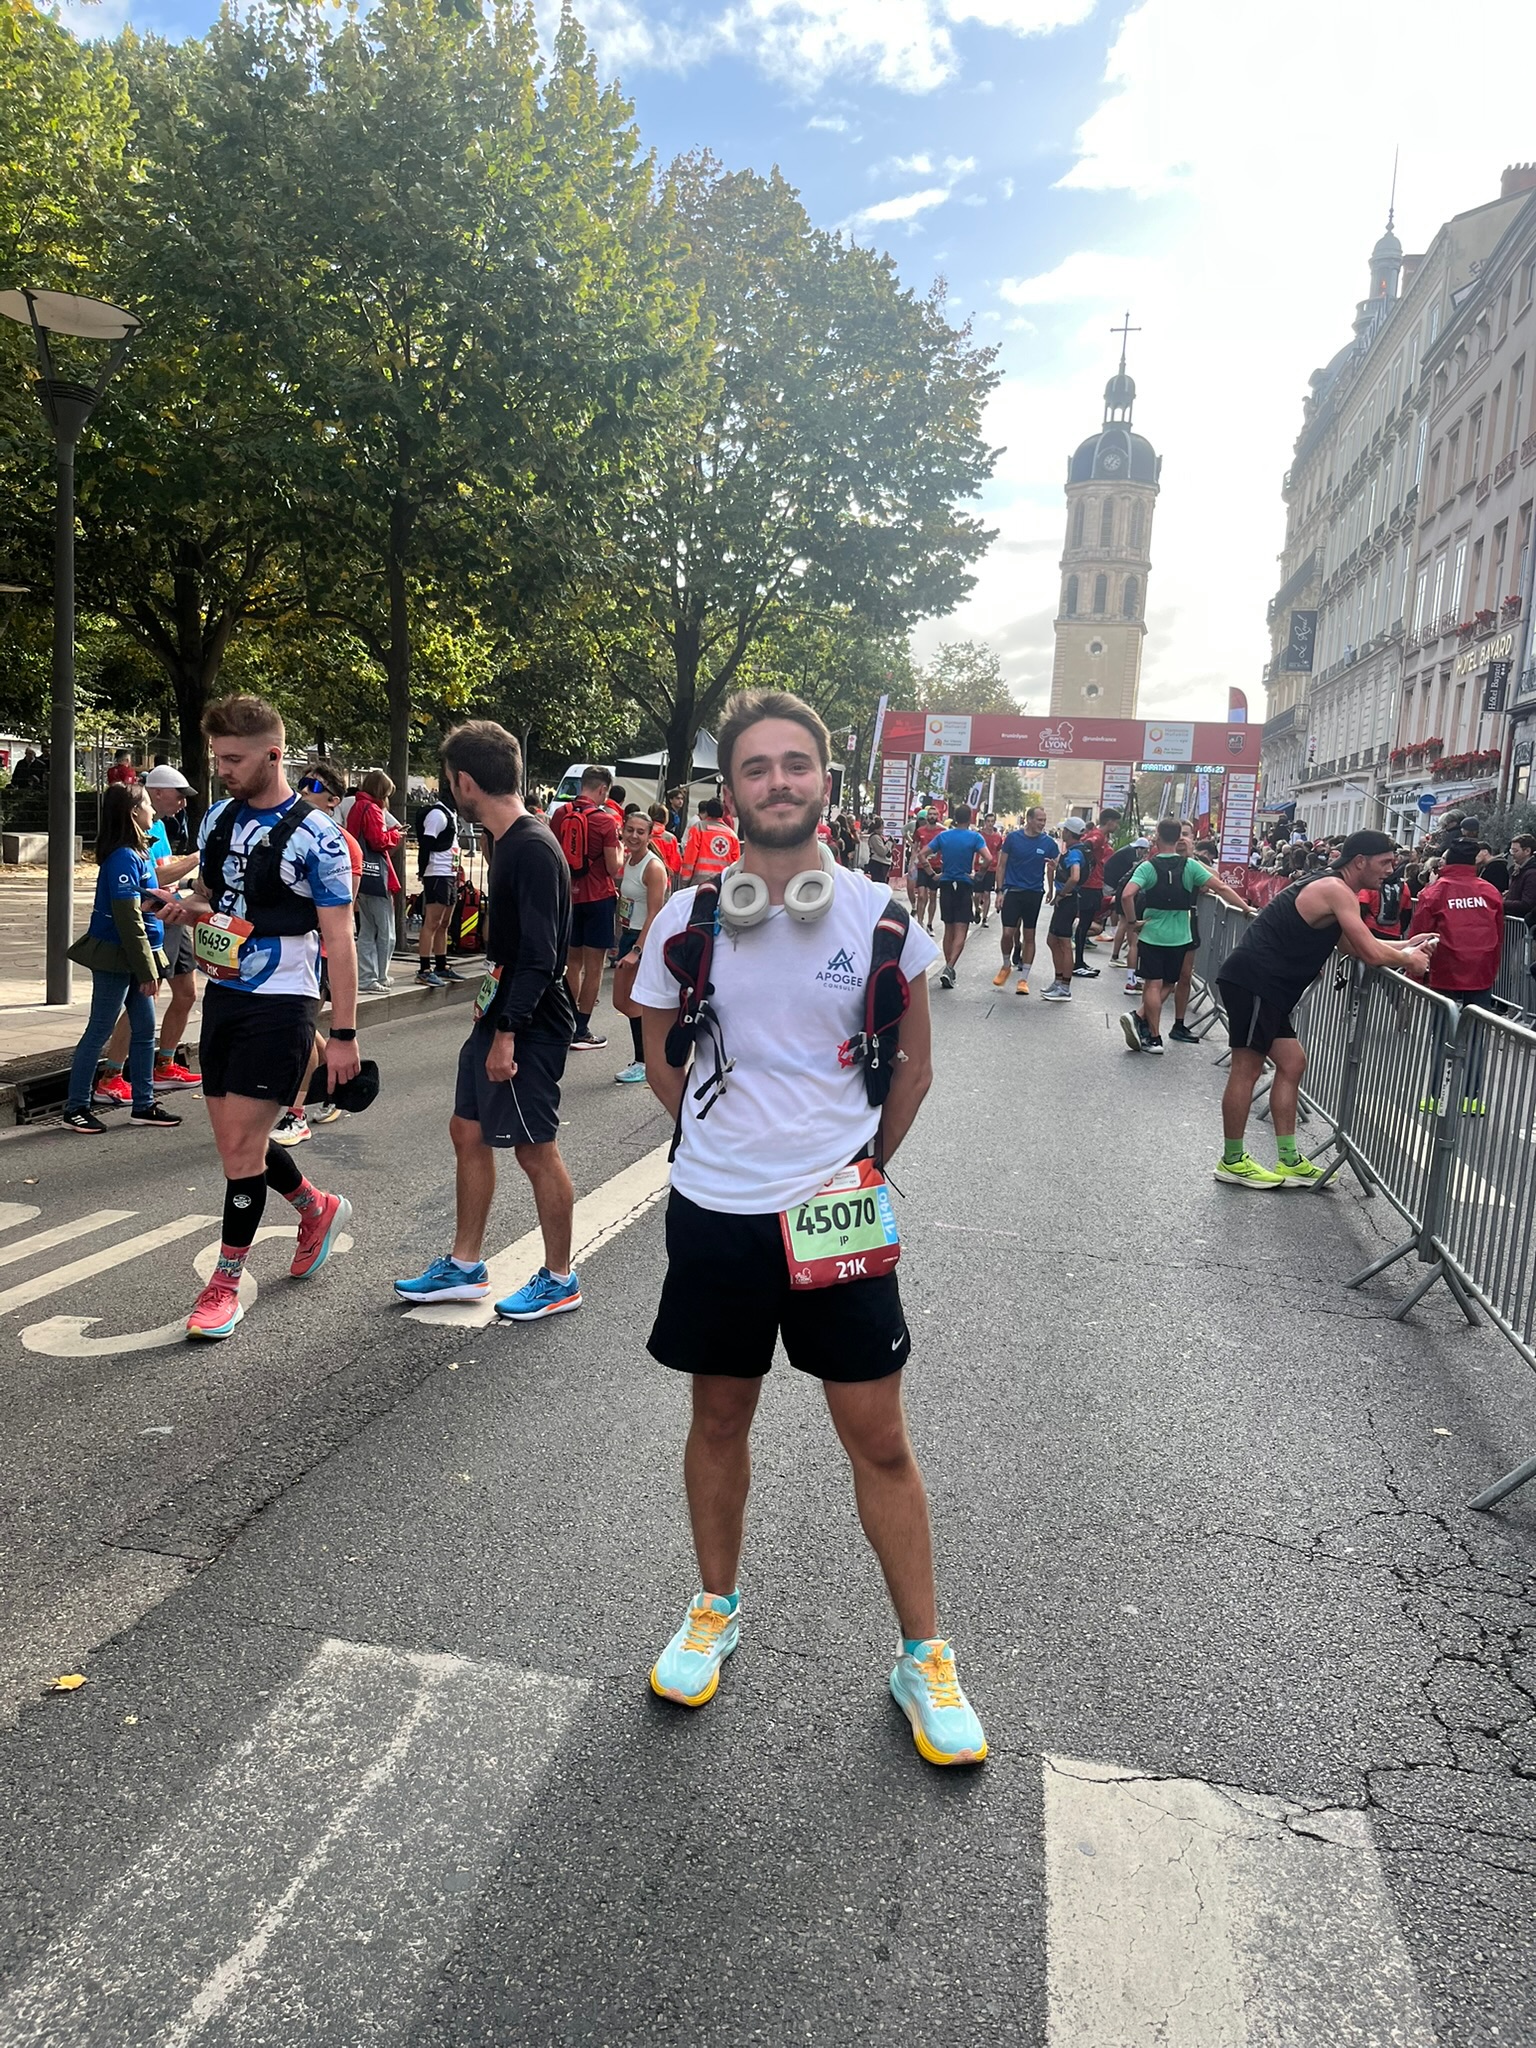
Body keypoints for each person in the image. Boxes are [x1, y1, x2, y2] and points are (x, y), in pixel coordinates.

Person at [631, 686, 986, 1768]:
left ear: (824, 781)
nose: (777, 782)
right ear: (731, 789)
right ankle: (715, 1607)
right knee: (718, 1418)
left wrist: (858, 1168)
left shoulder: (883, 919)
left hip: (836, 1214)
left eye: (795, 763)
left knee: (878, 1437)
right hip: (715, 1213)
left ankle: (923, 1656)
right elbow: (659, 1055)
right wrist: (726, 1145)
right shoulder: (687, 920)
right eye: (756, 766)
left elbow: (913, 1070)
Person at [156, 695, 358, 1338]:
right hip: (225, 992)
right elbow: (214, 895)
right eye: (218, 758)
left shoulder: (319, 837)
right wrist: (183, 905)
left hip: (284, 1000)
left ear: (273, 755)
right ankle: (315, 1206)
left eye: (234, 759)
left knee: (242, 1150)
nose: (222, 770)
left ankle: (224, 1284)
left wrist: (344, 1033)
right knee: (235, 1143)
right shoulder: (218, 818)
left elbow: (341, 940)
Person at [394, 720, 581, 1321]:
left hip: (527, 1021)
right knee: (467, 1130)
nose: (449, 790)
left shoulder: (529, 847)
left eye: (450, 780)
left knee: (535, 1150)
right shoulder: (513, 841)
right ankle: (465, 1265)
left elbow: (541, 957)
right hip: (500, 1012)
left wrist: (507, 1034)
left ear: (466, 782)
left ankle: (560, 1278)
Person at [1214, 830, 1436, 1189]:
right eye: (1384, 862)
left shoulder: (1336, 888)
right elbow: (1370, 954)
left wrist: (1409, 943)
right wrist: (1409, 960)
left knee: (1292, 1063)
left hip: (1266, 985)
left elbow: (1354, 945)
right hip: (1255, 981)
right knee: (1247, 1068)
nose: (1390, 870)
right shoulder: (1336, 890)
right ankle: (1232, 1160)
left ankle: (1289, 1160)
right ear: (1360, 861)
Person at [60, 783, 183, 1135]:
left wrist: (159, 900)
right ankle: (76, 1108)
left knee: (144, 1031)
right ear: (133, 813)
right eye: (147, 804)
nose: (153, 810)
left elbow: (139, 906)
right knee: (99, 1029)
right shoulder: (123, 858)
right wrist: (147, 970)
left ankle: (144, 1104)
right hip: (117, 957)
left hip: (136, 956)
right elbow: (128, 919)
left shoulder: (138, 852)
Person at [92, 764, 205, 1104]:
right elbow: (155, 877)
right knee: (145, 997)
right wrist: (197, 858)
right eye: (179, 795)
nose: (183, 803)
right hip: (156, 920)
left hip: (172, 915)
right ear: (155, 793)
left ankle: (165, 1065)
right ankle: (112, 1074)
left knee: (186, 993)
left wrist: (188, 885)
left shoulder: (159, 826)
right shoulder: (139, 829)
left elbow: (163, 875)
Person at [272, 759, 363, 1146]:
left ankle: (296, 1115)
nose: (304, 791)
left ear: (333, 800)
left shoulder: (342, 844)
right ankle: (340, 1082)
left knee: (301, 1032)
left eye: (314, 786)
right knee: (303, 1030)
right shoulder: (288, 833)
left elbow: (343, 911)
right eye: (302, 783)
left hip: (322, 951)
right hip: (290, 952)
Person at [1118, 818, 1249, 1054]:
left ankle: (1153, 1037)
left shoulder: (1148, 867)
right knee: (1169, 983)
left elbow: (1127, 895)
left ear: (1157, 837)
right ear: (1179, 837)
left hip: (1152, 932)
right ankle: (1139, 1019)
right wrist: (1246, 908)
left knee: (1152, 984)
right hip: (1180, 934)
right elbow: (1221, 887)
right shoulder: (1190, 866)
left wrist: (1131, 922)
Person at [1408, 841, 1506, 1111]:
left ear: (1447, 862)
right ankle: (1471, 1099)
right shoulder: (1490, 891)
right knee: (1475, 1036)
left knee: (1442, 1035)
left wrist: (1414, 974)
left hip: (1445, 971)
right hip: (1481, 972)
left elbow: (1420, 936)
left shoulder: (1434, 892)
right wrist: (1492, 970)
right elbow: (1499, 936)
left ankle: (1436, 1095)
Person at [549, 765, 623, 1050]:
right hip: (598, 898)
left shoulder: (561, 814)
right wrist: (619, 851)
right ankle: (582, 1029)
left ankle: (566, 1022)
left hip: (569, 898)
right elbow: (613, 867)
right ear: (603, 789)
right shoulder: (605, 821)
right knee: (594, 968)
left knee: (573, 963)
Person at [611, 809, 668, 1084]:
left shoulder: (652, 867)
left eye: (640, 832)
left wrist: (637, 950)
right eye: (630, 830)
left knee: (631, 1002)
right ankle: (651, 1057)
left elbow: (655, 913)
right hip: (628, 935)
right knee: (623, 1001)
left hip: (641, 939)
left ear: (649, 835)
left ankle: (645, 1062)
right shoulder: (631, 860)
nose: (633, 836)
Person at [991, 806, 1059, 993]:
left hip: (1034, 892)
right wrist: (999, 891)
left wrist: (1053, 882)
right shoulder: (1013, 838)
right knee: (1008, 933)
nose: (1042, 824)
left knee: (1029, 935)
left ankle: (1023, 979)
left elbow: (1057, 865)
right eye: (1039, 820)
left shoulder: (1048, 843)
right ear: (1029, 819)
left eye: (1044, 820)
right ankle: (1006, 965)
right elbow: (1001, 865)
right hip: (1013, 890)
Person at [924, 801, 989, 989]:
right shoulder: (975, 837)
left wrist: (932, 874)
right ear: (970, 819)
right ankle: (950, 967)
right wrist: (979, 875)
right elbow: (989, 858)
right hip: (963, 884)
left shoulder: (944, 836)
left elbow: (922, 854)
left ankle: (948, 968)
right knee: (961, 929)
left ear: (954, 817)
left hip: (945, 883)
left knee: (948, 928)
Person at [350, 770, 403, 992]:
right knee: (386, 931)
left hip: (361, 873)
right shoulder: (373, 809)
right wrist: (395, 835)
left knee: (367, 930)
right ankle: (379, 975)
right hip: (376, 875)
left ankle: (366, 975)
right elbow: (378, 841)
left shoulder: (357, 806)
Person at [414, 784, 464, 988]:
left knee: (444, 922)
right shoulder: (437, 815)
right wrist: (422, 869)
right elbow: (426, 844)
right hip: (437, 873)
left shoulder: (450, 814)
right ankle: (424, 969)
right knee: (432, 922)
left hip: (449, 873)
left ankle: (441, 965)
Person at [1041, 818, 1093, 1000]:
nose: (1062, 832)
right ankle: (1058, 980)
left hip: (1068, 900)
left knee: (1063, 942)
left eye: (1064, 830)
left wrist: (1062, 894)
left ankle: (1064, 986)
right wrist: (1057, 868)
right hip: (1067, 899)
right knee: (1052, 940)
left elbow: (1075, 876)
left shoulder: (1074, 853)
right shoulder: (1076, 850)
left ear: (1069, 833)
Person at [1104, 834, 1148, 988]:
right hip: (1124, 890)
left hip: (1121, 887)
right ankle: (1130, 976)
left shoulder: (1131, 854)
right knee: (1130, 929)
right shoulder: (1134, 857)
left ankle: (1116, 956)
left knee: (1124, 924)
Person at [679, 796, 740, 889]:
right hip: (722, 885)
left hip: (698, 884)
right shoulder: (732, 835)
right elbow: (735, 865)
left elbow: (690, 857)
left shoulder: (698, 828)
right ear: (723, 813)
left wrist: (684, 881)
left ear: (707, 812)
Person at [908, 810, 941, 934]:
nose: (932, 816)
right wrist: (912, 864)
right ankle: (920, 922)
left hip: (936, 866)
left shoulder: (942, 831)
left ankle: (930, 924)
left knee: (933, 895)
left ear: (938, 816)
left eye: (934, 814)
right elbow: (915, 848)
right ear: (927, 817)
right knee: (921, 895)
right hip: (922, 866)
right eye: (930, 814)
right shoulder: (920, 831)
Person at [974, 814, 1003, 927]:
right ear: (985, 822)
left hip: (991, 868)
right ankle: (977, 909)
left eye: (992, 821)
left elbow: (999, 852)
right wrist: (972, 867)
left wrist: (999, 867)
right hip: (979, 867)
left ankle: (984, 918)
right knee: (977, 895)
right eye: (988, 821)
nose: (990, 824)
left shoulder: (997, 837)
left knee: (987, 893)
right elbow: (974, 851)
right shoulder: (979, 835)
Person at [647, 801, 682, 881]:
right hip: (664, 878)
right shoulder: (670, 838)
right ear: (666, 818)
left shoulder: (643, 834)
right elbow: (676, 865)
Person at [866, 817, 892, 887]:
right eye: (883, 825)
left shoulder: (881, 836)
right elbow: (882, 851)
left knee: (883, 884)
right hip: (878, 864)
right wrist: (889, 843)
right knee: (879, 885)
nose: (883, 827)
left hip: (884, 863)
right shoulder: (875, 837)